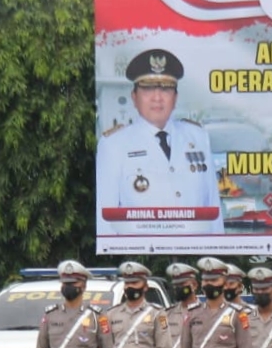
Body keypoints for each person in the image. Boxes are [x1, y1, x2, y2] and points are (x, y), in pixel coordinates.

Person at [95, 48, 223, 235]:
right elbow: (106, 221)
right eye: (147, 88)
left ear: (175, 97)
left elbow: (213, 212)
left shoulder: (197, 137)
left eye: (165, 88)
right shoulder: (114, 145)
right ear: (134, 97)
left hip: (195, 255)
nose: (157, 97)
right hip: (142, 256)